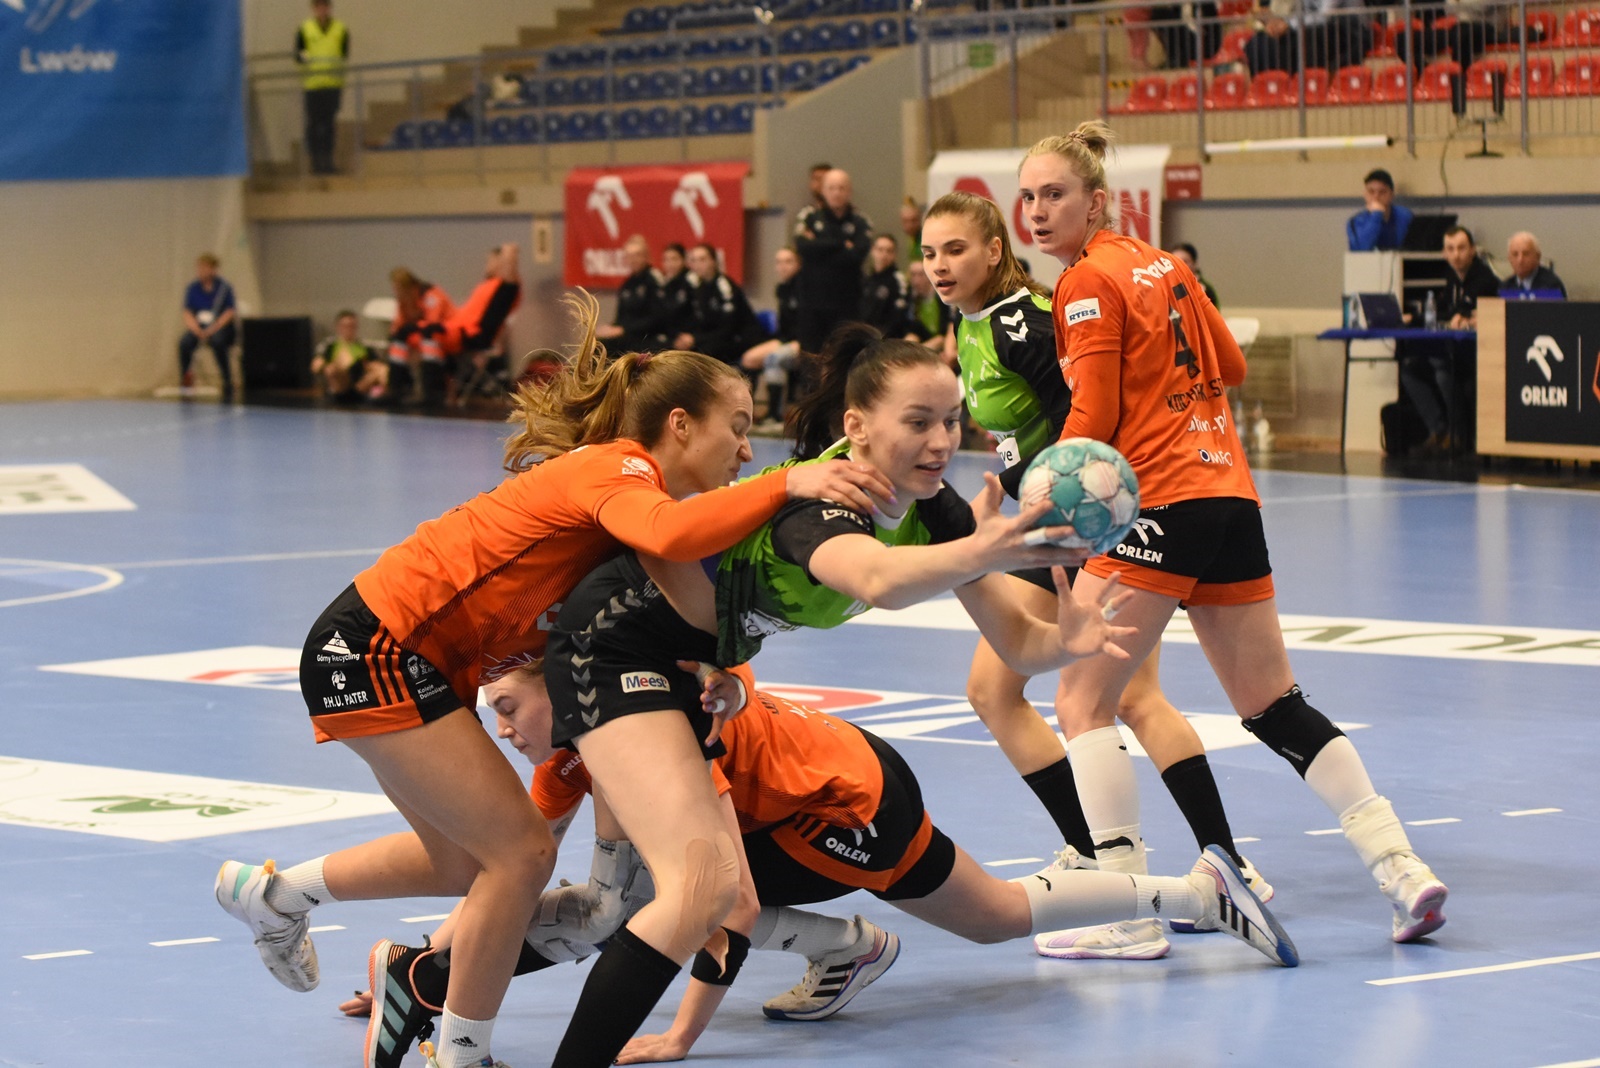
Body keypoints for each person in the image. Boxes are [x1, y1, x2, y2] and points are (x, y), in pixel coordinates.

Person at [212, 292, 894, 1068]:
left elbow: (679, 610)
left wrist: (728, 672)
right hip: (377, 647)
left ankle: (276, 896)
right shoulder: (619, 470)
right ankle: (462, 1056)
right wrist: (787, 485)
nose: (746, 449)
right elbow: (672, 535)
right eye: (737, 427)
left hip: (402, 659)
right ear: (679, 425)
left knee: (465, 862)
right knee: (522, 855)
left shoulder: (640, 505)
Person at [538, 326, 1151, 1067]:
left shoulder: (935, 509)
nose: (941, 441)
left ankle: (441, 985)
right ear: (856, 427)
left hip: (682, 663)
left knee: (690, 893)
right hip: (608, 645)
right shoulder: (824, 505)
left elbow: (1018, 643)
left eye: (951, 419)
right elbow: (876, 580)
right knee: (664, 893)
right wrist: (985, 549)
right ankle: (452, 992)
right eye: (918, 421)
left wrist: (1068, 642)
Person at [357, 666, 1293, 1068]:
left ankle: (1193, 892)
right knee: (628, 894)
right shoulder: (575, 749)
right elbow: (510, 873)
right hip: (802, 788)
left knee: (996, 915)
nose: (500, 728)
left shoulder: (665, 737)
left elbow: (729, 902)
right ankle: (849, 949)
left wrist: (681, 1035)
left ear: (561, 685)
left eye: (507, 705)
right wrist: (433, 961)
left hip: (848, 806)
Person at [1020, 121, 1449, 951]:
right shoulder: (1167, 266)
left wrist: (1042, 499)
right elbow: (1233, 369)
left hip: (1157, 503)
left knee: (1081, 699)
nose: (1038, 211)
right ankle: (1402, 870)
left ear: (1096, 201)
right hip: (1229, 495)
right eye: (1029, 196)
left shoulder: (1083, 283)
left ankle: (1122, 911)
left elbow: (1094, 416)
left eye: (1055, 195)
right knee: (1273, 707)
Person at [922, 190, 1263, 963]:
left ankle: (1115, 874)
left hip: (1075, 523)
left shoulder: (1024, 323)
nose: (940, 265)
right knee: (1104, 696)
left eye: (956, 249)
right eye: (930, 252)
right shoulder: (972, 322)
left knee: (1032, 693)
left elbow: (1091, 413)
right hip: (1060, 522)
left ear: (994, 250)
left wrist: (1035, 503)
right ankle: (1215, 866)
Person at [1399, 225, 1501, 453]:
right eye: (1451, 249)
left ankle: (1458, 436)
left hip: (1478, 355)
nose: (1456, 255)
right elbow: (1445, 310)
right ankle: (1438, 429)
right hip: (1453, 349)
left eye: (1461, 248)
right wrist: (1414, 317)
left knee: (1442, 368)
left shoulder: (1485, 279)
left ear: (1472, 250)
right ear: (1444, 253)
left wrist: (1457, 314)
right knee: (1410, 368)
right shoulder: (1450, 277)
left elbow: (1461, 311)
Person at [794, 168, 873, 354]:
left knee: (847, 355)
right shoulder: (809, 216)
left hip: (847, 302)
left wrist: (819, 245)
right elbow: (803, 247)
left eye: (841, 188)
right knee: (811, 357)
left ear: (849, 191)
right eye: (831, 188)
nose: (836, 193)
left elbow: (856, 256)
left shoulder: (860, 220)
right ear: (823, 191)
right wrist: (841, 244)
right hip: (812, 303)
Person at [446, 244, 523, 404]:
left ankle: (435, 391)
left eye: (491, 261)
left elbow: (510, 269)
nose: (487, 265)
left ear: (501, 262)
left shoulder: (505, 287)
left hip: (473, 335)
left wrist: (508, 252)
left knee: (429, 338)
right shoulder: (486, 285)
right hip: (457, 329)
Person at [674, 244, 770, 369]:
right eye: (694, 260)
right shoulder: (698, 287)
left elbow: (729, 327)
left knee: (703, 353)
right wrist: (688, 337)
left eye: (702, 259)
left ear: (713, 261)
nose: (697, 265)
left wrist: (696, 339)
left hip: (739, 337)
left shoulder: (724, 286)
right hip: (715, 337)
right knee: (679, 350)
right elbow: (700, 322)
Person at [740, 246, 804, 426]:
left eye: (788, 262)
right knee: (749, 359)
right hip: (785, 339)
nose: (783, 266)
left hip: (804, 342)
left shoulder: (805, 288)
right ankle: (747, 411)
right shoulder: (782, 288)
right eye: (779, 262)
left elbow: (811, 324)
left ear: (799, 264)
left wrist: (800, 343)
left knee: (773, 359)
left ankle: (775, 415)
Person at [384, 267, 456, 406]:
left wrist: (411, 331)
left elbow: (432, 324)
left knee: (428, 340)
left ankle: (431, 393)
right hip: (422, 340)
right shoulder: (403, 301)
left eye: (398, 289)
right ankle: (395, 389)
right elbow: (398, 327)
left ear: (409, 287)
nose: (396, 294)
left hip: (447, 338)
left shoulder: (432, 295)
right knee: (398, 343)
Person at [1242, 0, 1372, 77]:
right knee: (1261, 41)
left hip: (1351, 32)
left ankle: (1313, 83)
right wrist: (1277, 24)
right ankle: (1273, 86)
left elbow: (1324, 16)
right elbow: (1302, 13)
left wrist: (1288, 24)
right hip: (1318, 28)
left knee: (1310, 38)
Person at [295, 0, 348, 175]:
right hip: (313, 85)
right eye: (318, 7)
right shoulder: (305, 29)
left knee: (329, 124)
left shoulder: (340, 29)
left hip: (332, 85)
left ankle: (328, 160)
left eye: (324, 6)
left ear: (329, 8)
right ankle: (315, 160)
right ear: (314, 9)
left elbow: (343, 54)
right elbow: (299, 55)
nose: (322, 10)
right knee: (314, 124)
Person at [178, 253, 237, 400]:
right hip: (199, 327)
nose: (201, 271)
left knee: (218, 342)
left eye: (205, 267)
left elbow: (229, 312)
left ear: (213, 269)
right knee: (185, 343)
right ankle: (186, 378)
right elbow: (187, 312)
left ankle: (227, 380)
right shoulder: (193, 288)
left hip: (219, 327)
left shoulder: (224, 288)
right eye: (199, 267)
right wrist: (196, 329)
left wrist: (213, 328)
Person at [598, 235, 669, 353]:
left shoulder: (654, 279)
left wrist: (624, 329)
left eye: (637, 255)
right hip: (628, 336)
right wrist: (611, 329)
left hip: (649, 336)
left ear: (646, 256)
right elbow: (620, 317)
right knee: (599, 344)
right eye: (629, 256)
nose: (633, 260)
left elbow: (658, 318)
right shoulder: (627, 284)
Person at [310, 309, 376, 402]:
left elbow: (377, 366)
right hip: (338, 384)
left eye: (352, 326)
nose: (348, 329)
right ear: (338, 327)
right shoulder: (329, 345)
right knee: (332, 368)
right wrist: (329, 365)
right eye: (345, 326)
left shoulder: (365, 347)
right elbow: (316, 366)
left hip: (360, 386)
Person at [858, 234, 914, 340]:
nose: (884, 255)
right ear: (873, 251)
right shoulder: (868, 280)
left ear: (895, 254)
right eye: (880, 250)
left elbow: (899, 317)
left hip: (889, 340)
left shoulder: (899, 281)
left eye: (889, 251)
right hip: (866, 336)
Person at [1346, 168, 1414, 252]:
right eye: (1371, 192)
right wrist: (1376, 215)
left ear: (1391, 195)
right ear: (1365, 195)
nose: (1376, 197)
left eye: (1382, 192)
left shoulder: (1406, 217)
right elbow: (1363, 250)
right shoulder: (1356, 222)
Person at [1503, 231, 1567, 298]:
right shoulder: (1505, 287)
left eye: (1526, 254)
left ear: (1537, 256)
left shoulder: (1551, 286)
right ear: (1509, 259)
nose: (1520, 260)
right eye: (1515, 254)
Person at [1169, 242, 1219, 307]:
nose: (1178, 265)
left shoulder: (1205, 290)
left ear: (1194, 264)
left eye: (1184, 261)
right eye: (1175, 261)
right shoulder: (1165, 287)